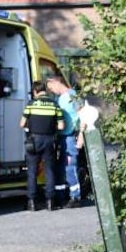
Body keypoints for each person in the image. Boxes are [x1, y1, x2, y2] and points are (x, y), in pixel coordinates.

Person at [20, 80, 63, 211]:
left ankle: (32, 202)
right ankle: (50, 202)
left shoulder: (31, 104)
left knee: (32, 172)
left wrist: (31, 126)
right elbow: (61, 126)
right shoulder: (55, 105)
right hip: (49, 140)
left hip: (33, 140)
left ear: (35, 91)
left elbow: (21, 124)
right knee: (49, 171)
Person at [47, 75, 84, 208]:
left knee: (70, 166)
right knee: (61, 167)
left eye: (51, 87)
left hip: (70, 136)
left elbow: (83, 115)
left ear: (56, 83)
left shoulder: (73, 95)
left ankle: (76, 197)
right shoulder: (59, 98)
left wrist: (81, 136)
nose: (51, 91)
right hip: (62, 137)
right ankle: (61, 196)